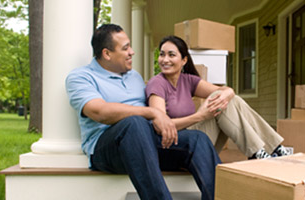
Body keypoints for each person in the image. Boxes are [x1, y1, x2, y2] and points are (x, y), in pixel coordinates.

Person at [66, 24, 221, 200]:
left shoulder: (134, 76)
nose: (132, 52)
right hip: (107, 149)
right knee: (135, 123)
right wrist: (152, 113)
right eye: (125, 48)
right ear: (107, 54)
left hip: (146, 143)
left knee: (197, 139)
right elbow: (99, 111)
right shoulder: (81, 77)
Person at [145, 35, 291, 160]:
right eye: (162, 54)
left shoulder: (188, 80)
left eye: (171, 55)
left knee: (228, 99)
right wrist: (199, 116)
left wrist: (229, 92)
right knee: (220, 99)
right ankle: (263, 151)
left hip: (197, 142)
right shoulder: (157, 84)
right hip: (176, 146)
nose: (164, 59)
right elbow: (160, 127)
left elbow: (225, 91)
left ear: (184, 60)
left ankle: (271, 150)